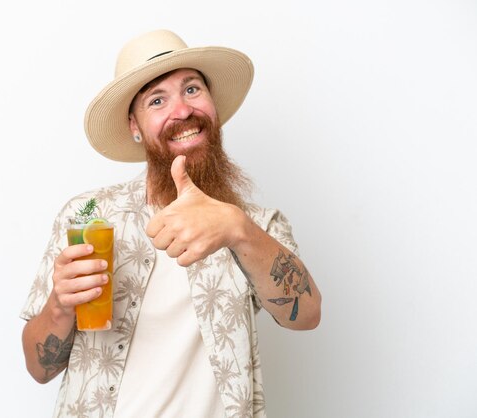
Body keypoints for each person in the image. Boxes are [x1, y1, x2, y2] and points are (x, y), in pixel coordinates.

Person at [20, 29, 322, 418]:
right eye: (157, 100)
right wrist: (60, 305)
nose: (182, 111)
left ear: (213, 104)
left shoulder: (254, 225)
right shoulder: (87, 216)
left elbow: (307, 315)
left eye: (192, 89)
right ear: (134, 125)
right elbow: (38, 369)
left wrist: (236, 227)